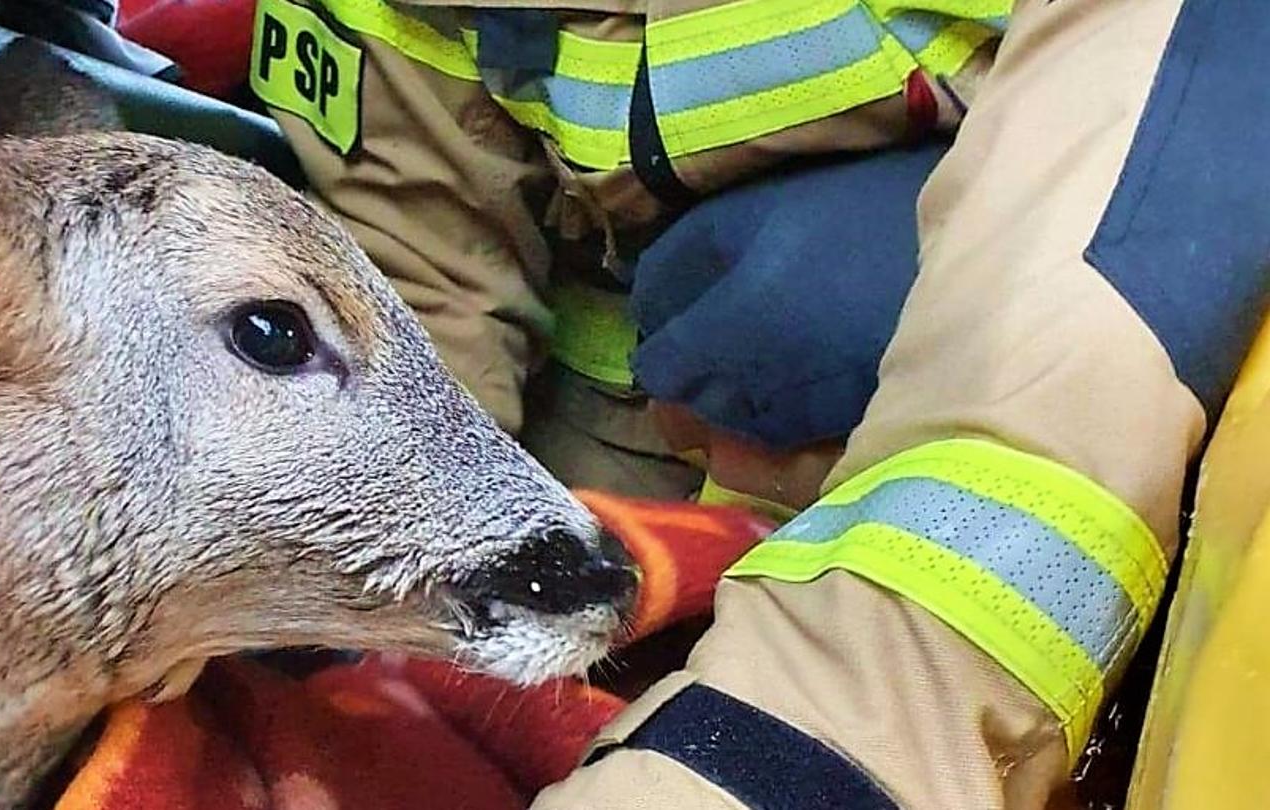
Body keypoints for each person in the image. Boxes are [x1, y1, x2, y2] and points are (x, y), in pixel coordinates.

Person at [242, 0, 1270, 807]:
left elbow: (1045, 406)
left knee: (783, 298)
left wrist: (766, 765)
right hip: (634, 449)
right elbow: (417, 296)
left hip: (1019, 391)